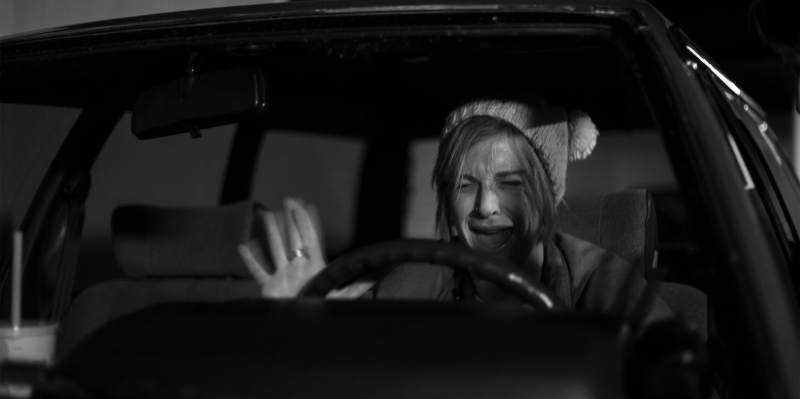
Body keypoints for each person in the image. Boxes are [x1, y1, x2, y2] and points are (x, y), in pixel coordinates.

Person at [239, 96, 672, 324]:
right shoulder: (410, 285)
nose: (485, 207)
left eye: (510, 183)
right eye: (467, 185)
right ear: (447, 201)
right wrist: (301, 324)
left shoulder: (607, 287)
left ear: (546, 194)